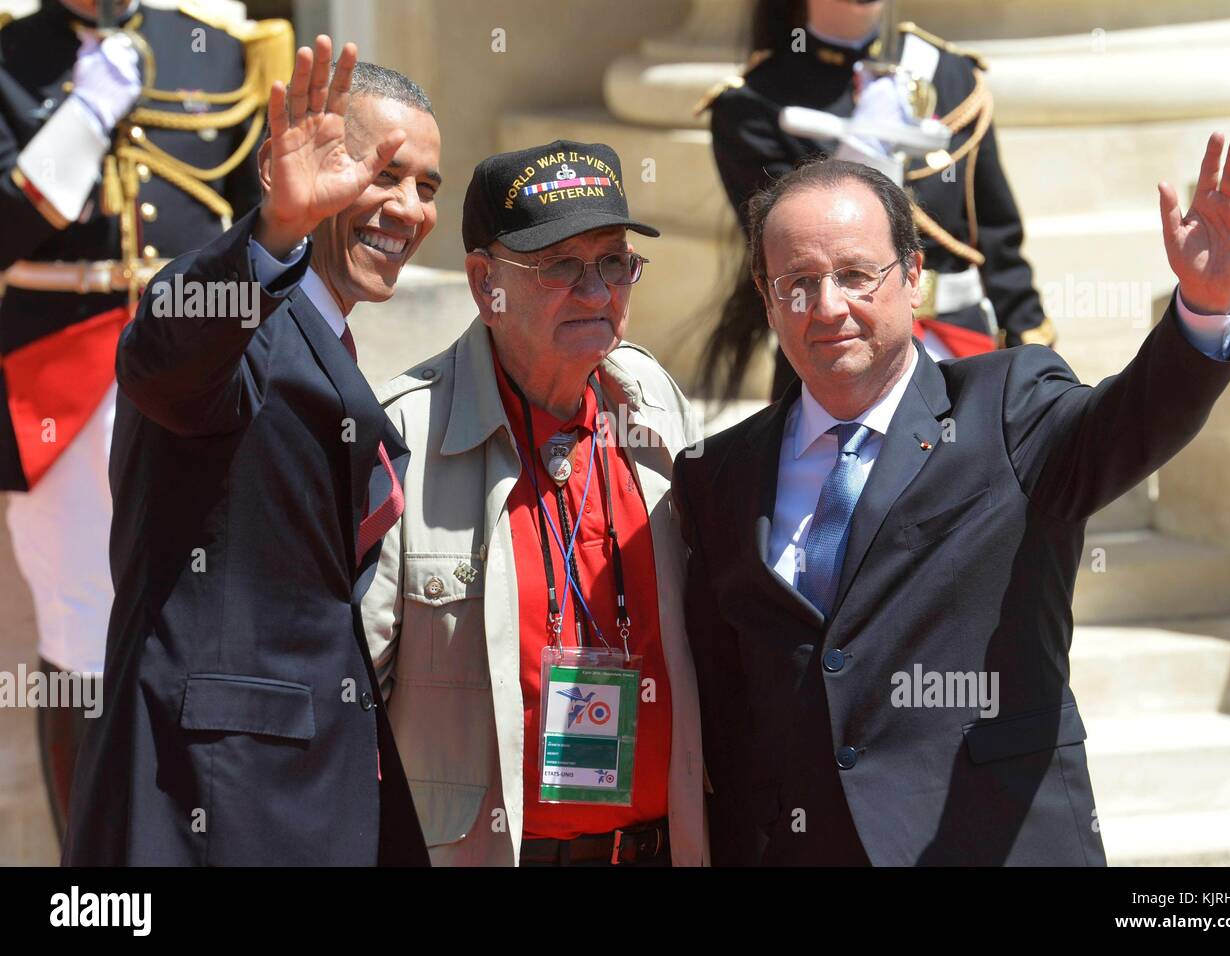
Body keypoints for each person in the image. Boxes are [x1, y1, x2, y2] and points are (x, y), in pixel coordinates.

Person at [673, 133, 1230, 865]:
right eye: (796, 283)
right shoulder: (718, 472)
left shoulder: (1008, 407)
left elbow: (1131, 424)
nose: (827, 306)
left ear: (914, 275)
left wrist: (1204, 310)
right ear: (768, 299)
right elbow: (729, 712)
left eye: (857, 275)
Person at [62, 36, 437, 866]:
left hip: (313, 788)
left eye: (426, 186)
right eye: (383, 174)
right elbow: (164, 357)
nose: (410, 207)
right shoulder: (239, 317)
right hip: (205, 796)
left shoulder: (327, 341)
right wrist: (274, 230)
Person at [362, 140, 708, 866]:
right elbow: (347, 704)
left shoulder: (652, 407)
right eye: (560, 266)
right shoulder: (404, 437)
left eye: (614, 262)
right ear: (486, 281)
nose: (596, 291)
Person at [0, 0, 289, 846]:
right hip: (61, 384)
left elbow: (256, 233)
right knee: (81, 641)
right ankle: (90, 864)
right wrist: (84, 116)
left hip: (199, 368)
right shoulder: (13, 53)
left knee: (216, 623)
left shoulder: (221, 52)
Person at [700, 0, 1054, 399]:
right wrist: (861, 150)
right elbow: (786, 249)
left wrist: (1028, 337)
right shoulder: (753, 102)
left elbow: (995, 233)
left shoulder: (952, 75)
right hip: (839, 347)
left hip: (959, 343)